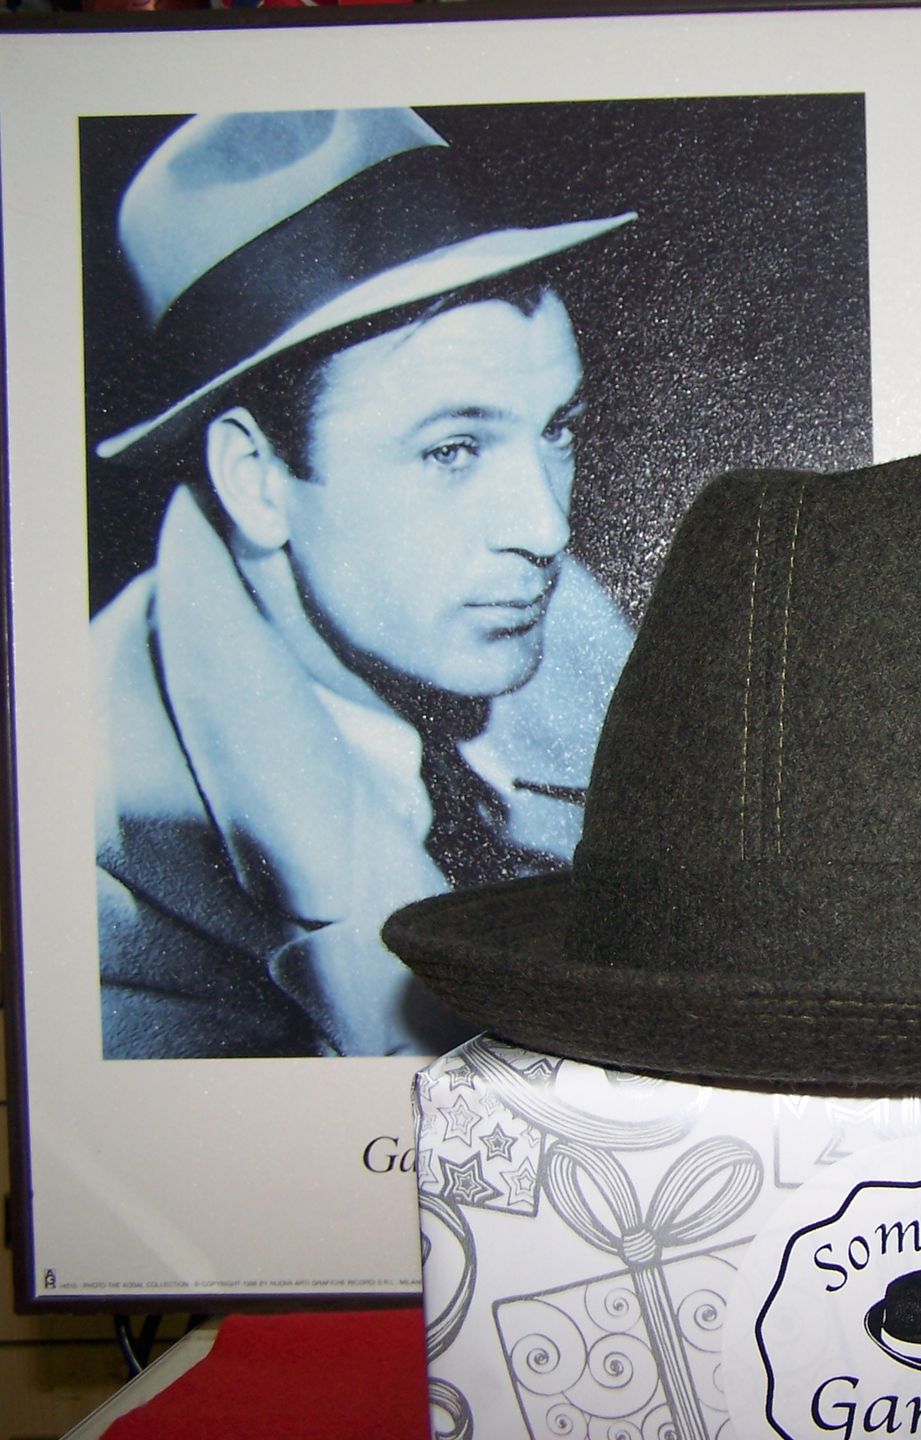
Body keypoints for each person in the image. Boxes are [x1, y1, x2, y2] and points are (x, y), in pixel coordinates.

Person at [91, 108, 637, 1058]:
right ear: (256, 481)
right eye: (453, 449)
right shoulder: (108, 869)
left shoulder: (581, 644)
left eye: (556, 428)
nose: (547, 529)